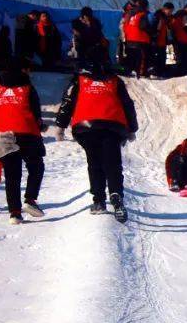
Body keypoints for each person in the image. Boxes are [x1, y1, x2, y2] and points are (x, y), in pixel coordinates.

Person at [54, 59, 139, 221]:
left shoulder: (79, 80)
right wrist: (132, 128)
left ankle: (99, 201)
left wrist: (60, 125)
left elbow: (68, 102)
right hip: (113, 125)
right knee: (112, 163)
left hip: (86, 126)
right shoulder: (115, 81)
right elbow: (128, 105)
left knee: (95, 163)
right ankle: (115, 194)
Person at [0, 59, 45, 224]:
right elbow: (35, 112)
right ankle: (30, 199)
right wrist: (40, 126)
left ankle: (14, 213)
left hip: (3, 134)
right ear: (23, 70)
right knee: (36, 166)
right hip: (26, 133)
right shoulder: (28, 88)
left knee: (11, 175)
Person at [123, 0, 152, 78]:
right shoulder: (143, 13)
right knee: (141, 57)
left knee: (131, 56)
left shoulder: (130, 13)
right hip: (140, 38)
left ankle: (130, 71)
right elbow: (143, 26)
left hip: (129, 38)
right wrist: (151, 32)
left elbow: (125, 24)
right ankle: (140, 73)